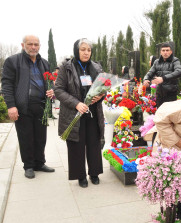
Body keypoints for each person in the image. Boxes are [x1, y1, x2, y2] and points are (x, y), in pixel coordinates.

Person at [1, 35, 55, 178]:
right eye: (30, 44)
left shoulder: (44, 63)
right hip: (22, 107)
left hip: (41, 106)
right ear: (23, 45)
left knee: (40, 137)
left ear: (39, 46)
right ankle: (29, 166)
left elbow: (50, 82)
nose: (33, 47)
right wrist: (11, 106)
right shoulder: (13, 61)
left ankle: (39, 163)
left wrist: (51, 90)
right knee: (26, 137)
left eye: (36, 44)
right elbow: (6, 85)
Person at [54, 38, 105, 188]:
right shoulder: (67, 67)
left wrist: (101, 96)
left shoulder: (96, 67)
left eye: (88, 50)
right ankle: (80, 175)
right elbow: (58, 90)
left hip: (93, 112)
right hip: (74, 113)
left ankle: (94, 173)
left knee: (94, 142)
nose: (86, 52)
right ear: (77, 50)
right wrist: (76, 104)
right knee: (76, 144)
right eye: (83, 49)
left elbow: (104, 87)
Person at [143, 43, 181, 108]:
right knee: (160, 114)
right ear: (160, 52)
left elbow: (178, 72)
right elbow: (149, 73)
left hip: (171, 94)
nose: (165, 52)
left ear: (171, 52)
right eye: (163, 50)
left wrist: (163, 78)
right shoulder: (156, 62)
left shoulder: (175, 60)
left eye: (167, 50)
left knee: (170, 115)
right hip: (159, 94)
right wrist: (146, 79)